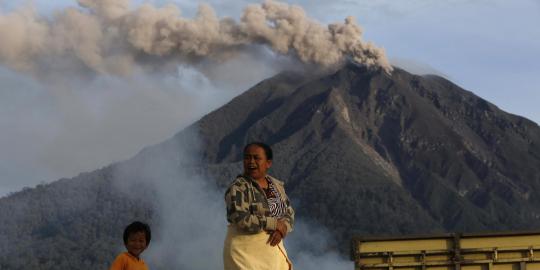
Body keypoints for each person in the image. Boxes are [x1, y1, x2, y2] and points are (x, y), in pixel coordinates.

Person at [223, 142, 295, 270]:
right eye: (247, 157)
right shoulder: (238, 188)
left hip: (271, 254)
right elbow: (240, 218)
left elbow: (288, 212)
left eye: (256, 158)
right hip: (244, 255)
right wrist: (273, 223)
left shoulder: (276, 186)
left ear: (268, 163)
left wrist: (281, 229)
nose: (251, 162)